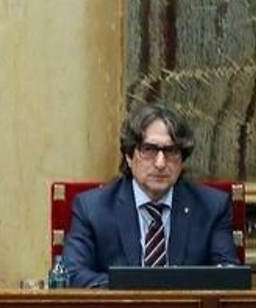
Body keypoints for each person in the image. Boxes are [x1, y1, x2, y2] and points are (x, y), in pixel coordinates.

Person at [61, 102, 240, 288]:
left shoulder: (212, 207)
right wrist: (138, 289)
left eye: (171, 151)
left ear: (182, 160)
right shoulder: (92, 208)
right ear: (129, 157)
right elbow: (73, 274)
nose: (161, 163)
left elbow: (228, 276)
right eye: (148, 150)